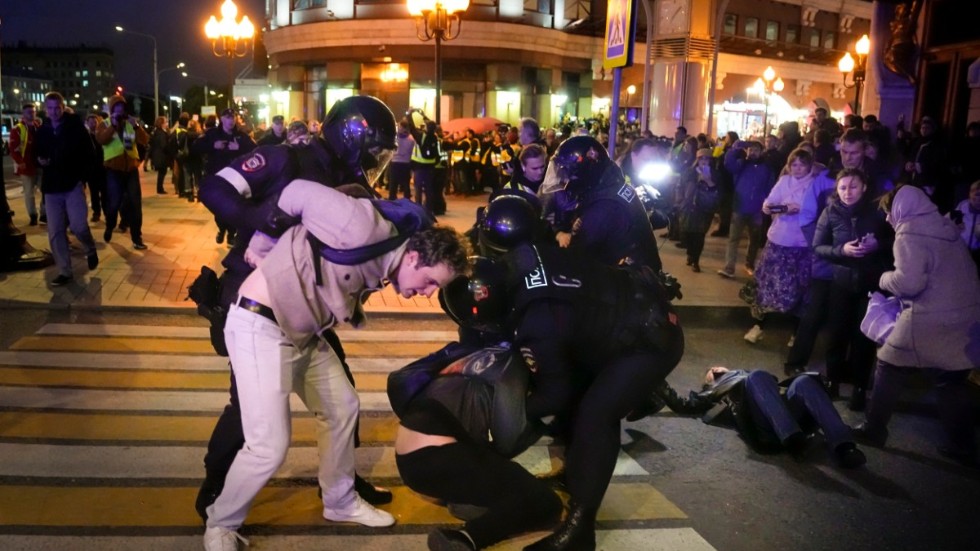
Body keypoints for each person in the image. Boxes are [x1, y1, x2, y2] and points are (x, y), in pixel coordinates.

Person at [202, 180, 471, 550]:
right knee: (269, 445)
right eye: (429, 282)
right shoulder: (361, 227)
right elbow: (295, 191)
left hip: (301, 332)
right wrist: (262, 244)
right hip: (260, 325)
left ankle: (340, 501)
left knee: (342, 407)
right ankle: (221, 523)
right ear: (413, 257)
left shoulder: (390, 256)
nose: (426, 294)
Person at [195, 95, 401, 522]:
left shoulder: (349, 177)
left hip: (306, 299)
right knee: (247, 403)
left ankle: (342, 483)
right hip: (252, 289)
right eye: (373, 151)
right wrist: (258, 218)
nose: (375, 162)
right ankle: (216, 482)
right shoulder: (284, 158)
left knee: (341, 395)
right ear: (351, 135)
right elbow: (214, 187)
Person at [441, 243, 684, 551]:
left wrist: (504, 413)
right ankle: (575, 475)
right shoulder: (517, 259)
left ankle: (580, 530)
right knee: (577, 400)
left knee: (595, 415)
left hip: (649, 341)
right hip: (626, 313)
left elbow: (554, 396)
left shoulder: (537, 323)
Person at [388, 338, 562, 551]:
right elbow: (507, 441)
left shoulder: (481, 354)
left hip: (411, 456)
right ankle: (464, 538)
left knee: (501, 478)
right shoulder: (511, 369)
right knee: (545, 503)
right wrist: (542, 423)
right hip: (438, 458)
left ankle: (464, 500)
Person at [855, 185, 980, 467]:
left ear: (900, 209)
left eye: (888, 212)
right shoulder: (943, 227)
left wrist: (882, 278)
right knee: (951, 380)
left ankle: (874, 429)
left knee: (888, 365)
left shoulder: (909, 234)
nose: (888, 219)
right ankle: (963, 446)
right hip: (965, 315)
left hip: (930, 316)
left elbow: (908, 284)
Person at [654, 367, 867, 468]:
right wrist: (657, 382)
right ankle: (792, 439)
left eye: (716, 368)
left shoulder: (751, 378)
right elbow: (684, 405)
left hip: (783, 413)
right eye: (711, 373)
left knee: (802, 382)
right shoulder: (720, 389)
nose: (714, 369)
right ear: (710, 382)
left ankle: (844, 446)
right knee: (757, 376)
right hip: (767, 430)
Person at [812, 168, 893, 409]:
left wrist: (877, 244)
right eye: (843, 187)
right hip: (841, 282)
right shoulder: (831, 212)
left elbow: (897, 239)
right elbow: (817, 246)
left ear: (864, 187)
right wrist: (842, 251)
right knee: (836, 334)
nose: (848, 192)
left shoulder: (878, 211)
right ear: (837, 189)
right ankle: (833, 381)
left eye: (853, 186)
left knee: (864, 338)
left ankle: (859, 388)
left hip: (870, 283)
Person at [550, 135, 663, 272]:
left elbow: (579, 253)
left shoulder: (604, 205)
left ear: (585, 173)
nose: (566, 180)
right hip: (637, 275)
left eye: (569, 174)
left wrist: (566, 237)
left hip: (632, 285)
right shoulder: (611, 186)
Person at [744, 148, 817, 343]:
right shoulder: (784, 181)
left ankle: (796, 332)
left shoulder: (814, 184)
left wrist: (800, 210)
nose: (798, 168)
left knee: (799, 288)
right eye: (794, 164)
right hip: (778, 240)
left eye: (802, 164)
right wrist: (775, 207)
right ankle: (759, 326)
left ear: (809, 166)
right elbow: (768, 204)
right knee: (766, 285)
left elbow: (815, 211)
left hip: (801, 244)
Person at [33, 92, 99, 286]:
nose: (54, 112)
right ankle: (64, 271)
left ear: (63, 107)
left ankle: (90, 247)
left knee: (79, 226)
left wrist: (82, 178)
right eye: (50, 108)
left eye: (57, 108)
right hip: (52, 187)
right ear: (46, 109)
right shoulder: (43, 130)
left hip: (72, 185)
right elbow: (37, 151)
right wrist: (40, 159)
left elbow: (90, 154)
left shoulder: (76, 127)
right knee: (55, 231)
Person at [192, 107, 258, 246]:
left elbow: (255, 150)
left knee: (233, 207)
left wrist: (239, 148)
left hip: (235, 179)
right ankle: (222, 229)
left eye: (233, 117)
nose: (231, 120)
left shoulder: (241, 136)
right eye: (227, 117)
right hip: (217, 177)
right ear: (221, 119)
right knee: (219, 209)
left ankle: (231, 234)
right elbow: (196, 147)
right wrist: (213, 146)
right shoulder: (212, 134)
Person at [96, 95, 150, 250]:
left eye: (122, 107)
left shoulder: (130, 123)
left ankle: (136, 237)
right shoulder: (104, 124)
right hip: (114, 170)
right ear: (112, 109)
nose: (120, 109)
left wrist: (137, 126)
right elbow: (101, 140)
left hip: (131, 169)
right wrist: (112, 126)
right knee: (114, 203)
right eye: (116, 107)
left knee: (135, 203)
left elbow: (144, 140)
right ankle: (110, 225)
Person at [717, 140, 775, 278]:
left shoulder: (766, 167)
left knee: (754, 238)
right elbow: (728, 163)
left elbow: (770, 186)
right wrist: (736, 148)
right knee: (734, 238)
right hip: (740, 207)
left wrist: (765, 202)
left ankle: (749, 264)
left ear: (762, 151)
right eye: (750, 149)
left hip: (757, 209)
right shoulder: (741, 164)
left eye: (756, 149)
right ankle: (729, 267)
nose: (752, 152)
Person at [677, 147, 720, 272]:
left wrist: (708, 180)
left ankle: (696, 260)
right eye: (702, 158)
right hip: (688, 207)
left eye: (707, 159)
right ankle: (690, 254)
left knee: (699, 235)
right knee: (688, 233)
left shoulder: (715, 174)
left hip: (704, 209)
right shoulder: (690, 172)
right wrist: (679, 201)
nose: (704, 161)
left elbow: (718, 191)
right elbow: (680, 186)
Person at [9, 103, 43, 226]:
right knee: (29, 193)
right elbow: (13, 148)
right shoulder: (18, 128)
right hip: (26, 165)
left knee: (46, 190)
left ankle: (44, 214)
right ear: (23, 114)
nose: (31, 113)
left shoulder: (38, 126)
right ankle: (33, 215)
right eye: (28, 111)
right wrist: (20, 162)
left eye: (33, 111)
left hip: (39, 164)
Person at [951, 180, 980, 276]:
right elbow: (951, 219)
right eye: (976, 195)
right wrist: (956, 223)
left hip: (976, 252)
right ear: (969, 195)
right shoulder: (963, 206)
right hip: (960, 248)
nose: (978, 199)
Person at [83, 114, 107, 223]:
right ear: (87, 123)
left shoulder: (101, 135)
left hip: (103, 168)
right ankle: (96, 212)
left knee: (105, 193)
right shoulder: (86, 136)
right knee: (94, 193)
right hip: (91, 170)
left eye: (95, 121)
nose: (93, 124)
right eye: (91, 122)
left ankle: (107, 212)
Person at [388, 120, 414, 200]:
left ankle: (392, 199)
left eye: (399, 127)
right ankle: (406, 200)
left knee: (393, 183)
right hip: (406, 163)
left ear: (402, 127)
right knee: (406, 184)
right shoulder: (411, 139)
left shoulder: (395, 138)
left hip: (395, 162)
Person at [149, 116, 171, 195]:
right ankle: (160, 188)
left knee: (162, 172)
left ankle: (160, 188)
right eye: (165, 122)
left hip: (158, 155)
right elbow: (164, 145)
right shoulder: (161, 133)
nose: (167, 124)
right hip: (161, 156)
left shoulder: (156, 132)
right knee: (162, 172)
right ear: (161, 124)